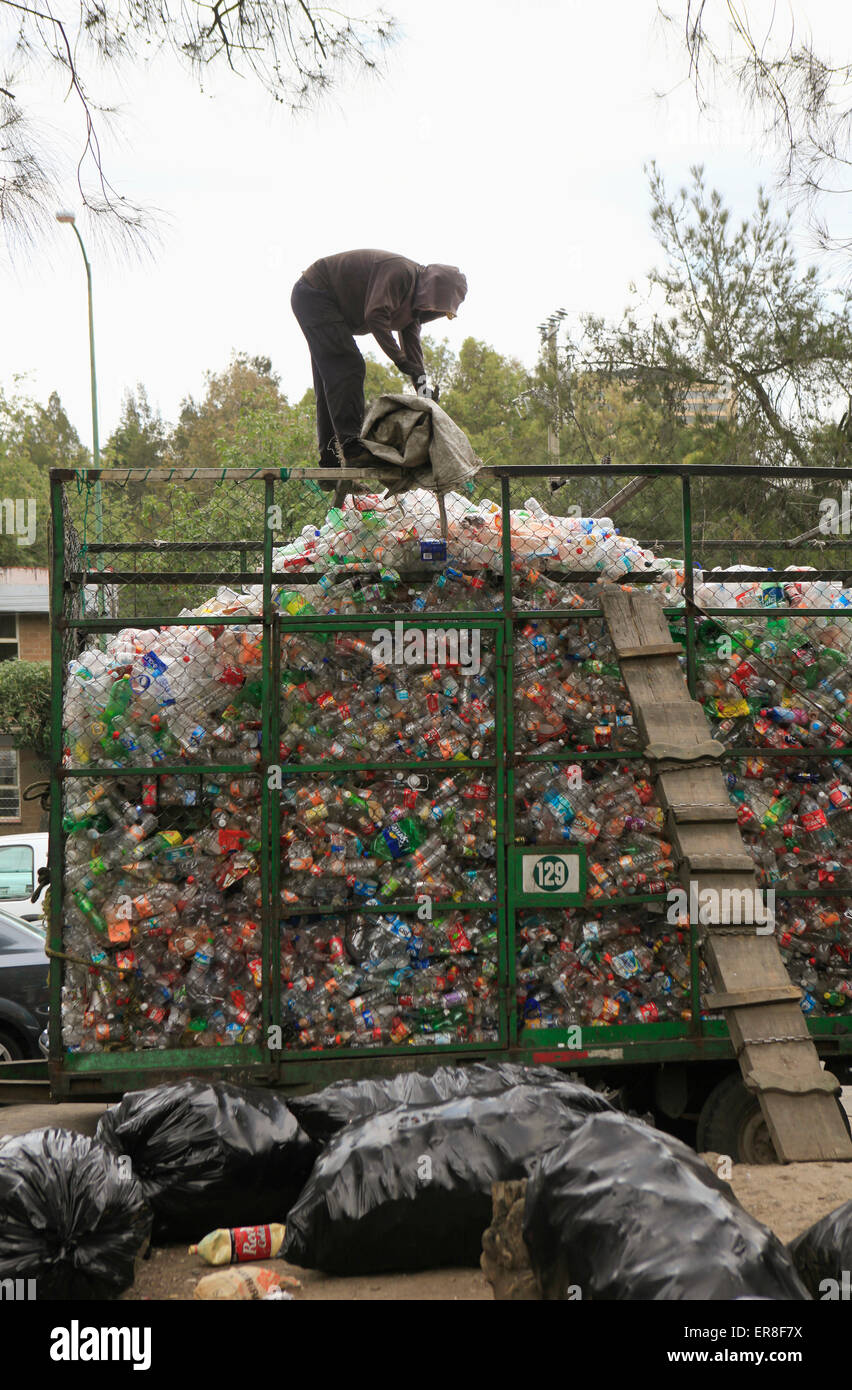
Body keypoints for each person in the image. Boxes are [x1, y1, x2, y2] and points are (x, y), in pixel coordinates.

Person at [291, 249, 467, 478]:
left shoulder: (411, 310)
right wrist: (399, 360)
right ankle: (353, 449)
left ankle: (330, 466)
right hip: (315, 294)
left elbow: (414, 355)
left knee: (332, 382)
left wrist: (424, 392)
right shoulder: (401, 273)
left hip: (324, 306)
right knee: (349, 367)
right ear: (432, 290)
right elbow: (375, 315)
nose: (434, 313)